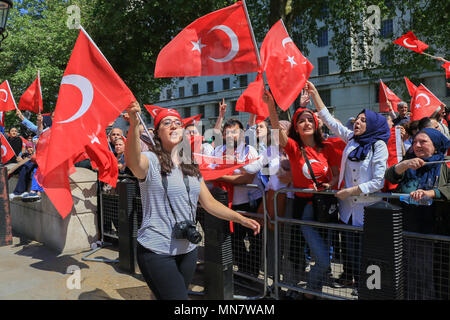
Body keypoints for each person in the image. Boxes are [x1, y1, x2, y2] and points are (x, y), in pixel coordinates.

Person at [124, 101, 260, 300]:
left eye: (177, 123)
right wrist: (135, 124)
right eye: (166, 123)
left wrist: (240, 218)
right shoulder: (150, 159)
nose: (173, 125)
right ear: (158, 133)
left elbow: (209, 203)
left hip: (188, 249)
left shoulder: (190, 164)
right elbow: (133, 162)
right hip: (156, 250)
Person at [309, 80, 390, 296]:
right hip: (347, 210)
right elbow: (329, 122)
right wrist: (315, 93)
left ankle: (369, 289)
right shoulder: (352, 140)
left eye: (363, 120)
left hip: (367, 210)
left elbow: (378, 182)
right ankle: (355, 283)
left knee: (368, 253)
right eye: (357, 119)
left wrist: (350, 191)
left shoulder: (378, 146)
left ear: (373, 125)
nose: (357, 122)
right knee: (351, 251)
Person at [264, 89, 340, 298]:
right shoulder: (294, 148)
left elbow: (335, 176)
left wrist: (329, 185)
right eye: (301, 121)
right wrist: (271, 106)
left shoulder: (327, 148)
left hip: (325, 210)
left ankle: (310, 292)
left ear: (316, 124)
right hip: (304, 210)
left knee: (324, 258)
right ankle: (306, 291)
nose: (306, 123)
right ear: (295, 127)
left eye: (310, 119)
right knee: (322, 259)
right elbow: (276, 130)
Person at [385, 128, 450, 299]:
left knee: (430, 274)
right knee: (409, 273)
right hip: (408, 226)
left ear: (435, 146)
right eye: (414, 142)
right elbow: (391, 177)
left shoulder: (444, 164)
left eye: (423, 142)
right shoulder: (410, 163)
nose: (417, 145)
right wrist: (404, 164)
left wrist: (432, 193)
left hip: (434, 228)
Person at [213, 118, 263, 279]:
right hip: (228, 204)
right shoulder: (218, 151)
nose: (230, 135)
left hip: (250, 203)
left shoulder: (250, 151)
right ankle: (243, 271)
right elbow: (210, 172)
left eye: (234, 132)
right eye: (226, 132)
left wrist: (220, 176)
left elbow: (246, 179)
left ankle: (253, 274)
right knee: (234, 240)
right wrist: (222, 176)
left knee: (255, 240)